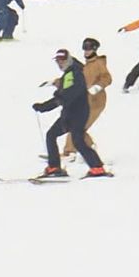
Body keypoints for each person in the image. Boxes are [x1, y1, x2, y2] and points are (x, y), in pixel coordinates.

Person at [33, 49, 109, 179]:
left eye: (62, 60)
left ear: (68, 60)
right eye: (58, 61)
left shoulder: (74, 73)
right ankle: (55, 167)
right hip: (70, 113)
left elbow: (69, 94)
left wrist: (46, 106)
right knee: (53, 135)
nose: (59, 63)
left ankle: (97, 168)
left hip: (77, 114)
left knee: (77, 140)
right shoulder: (70, 72)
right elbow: (65, 91)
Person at [62, 37, 112, 158]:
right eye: (84, 49)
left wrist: (97, 87)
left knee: (77, 127)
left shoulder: (99, 63)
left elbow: (107, 78)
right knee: (76, 126)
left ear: (94, 49)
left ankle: (71, 151)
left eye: (89, 49)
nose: (86, 52)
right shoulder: (86, 66)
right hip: (85, 101)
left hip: (96, 102)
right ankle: (84, 148)